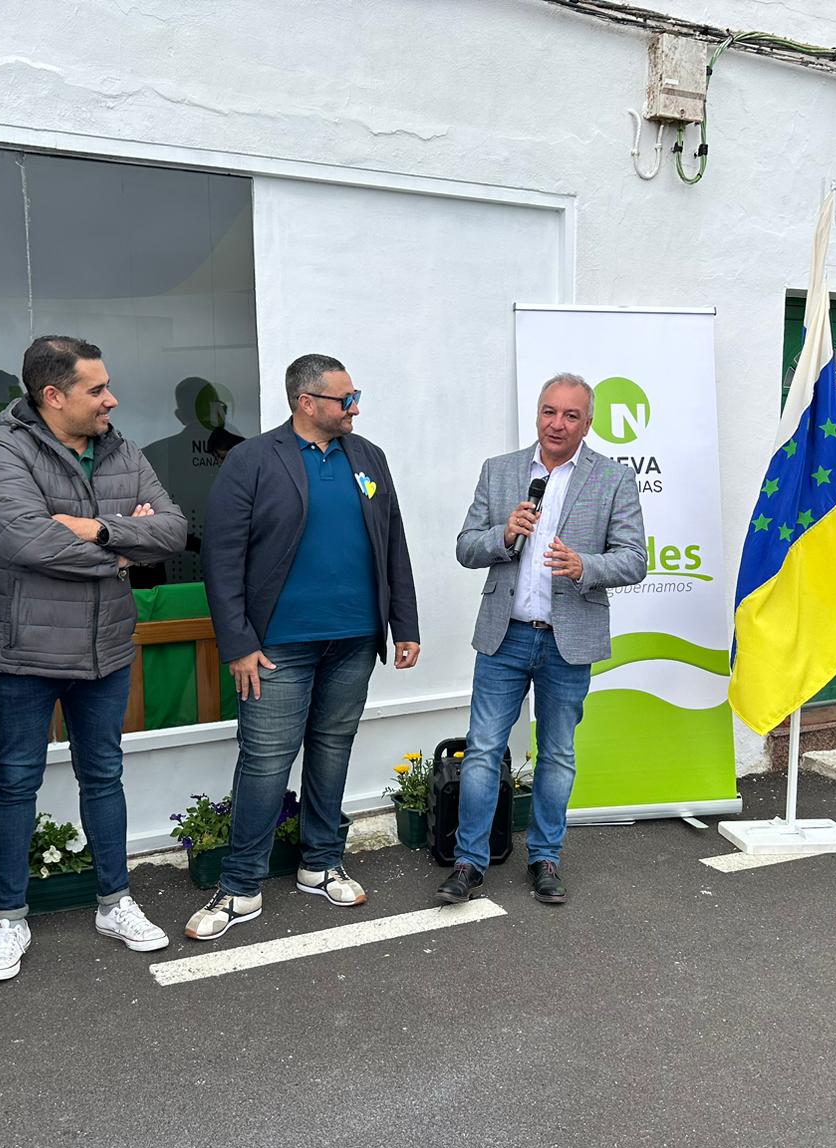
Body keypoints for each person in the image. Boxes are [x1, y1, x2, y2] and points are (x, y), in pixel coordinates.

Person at [0, 335, 187, 981]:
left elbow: (173, 530)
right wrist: (126, 548)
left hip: (106, 649)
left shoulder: (121, 448)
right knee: (16, 784)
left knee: (104, 776)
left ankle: (114, 902)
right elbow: (25, 539)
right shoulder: (0, 450)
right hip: (24, 653)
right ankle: (9, 917)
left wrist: (96, 529)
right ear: (53, 396)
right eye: (97, 389)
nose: (111, 399)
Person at [187, 353, 419, 939]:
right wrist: (238, 643)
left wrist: (403, 624)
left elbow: (393, 543)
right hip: (275, 647)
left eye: (355, 396)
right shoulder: (252, 460)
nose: (355, 407)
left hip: (354, 638)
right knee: (265, 762)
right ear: (306, 402)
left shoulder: (368, 457)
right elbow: (221, 557)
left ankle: (320, 862)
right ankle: (240, 884)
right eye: (346, 399)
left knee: (332, 748)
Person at [437, 372, 645, 906]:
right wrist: (504, 535)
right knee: (483, 749)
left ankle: (545, 858)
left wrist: (584, 566)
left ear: (588, 423)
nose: (558, 423)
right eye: (550, 411)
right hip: (504, 636)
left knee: (557, 752)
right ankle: (468, 863)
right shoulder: (500, 471)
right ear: (537, 413)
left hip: (566, 641)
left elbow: (635, 559)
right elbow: (465, 546)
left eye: (571, 415)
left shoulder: (613, 479)